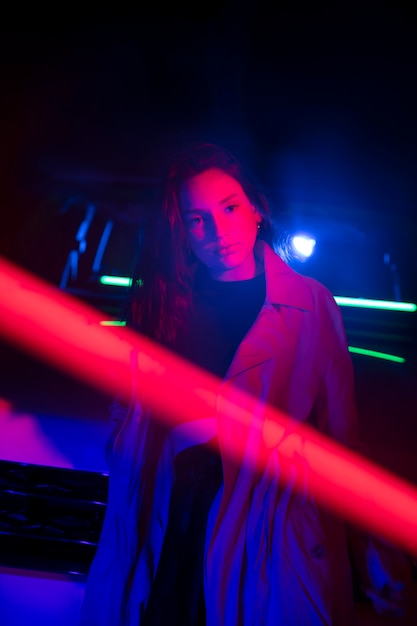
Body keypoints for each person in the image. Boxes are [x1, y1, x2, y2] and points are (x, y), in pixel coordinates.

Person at [80, 143, 412, 625]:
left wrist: (371, 550)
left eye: (229, 208)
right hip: (170, 519)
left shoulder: (310, 307)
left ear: (255, 208)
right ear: (183, 233)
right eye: (197, 220)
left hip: (265, 532)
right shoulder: (162, 307)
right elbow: (128, 420)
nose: (216, 231)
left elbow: (342, 439)